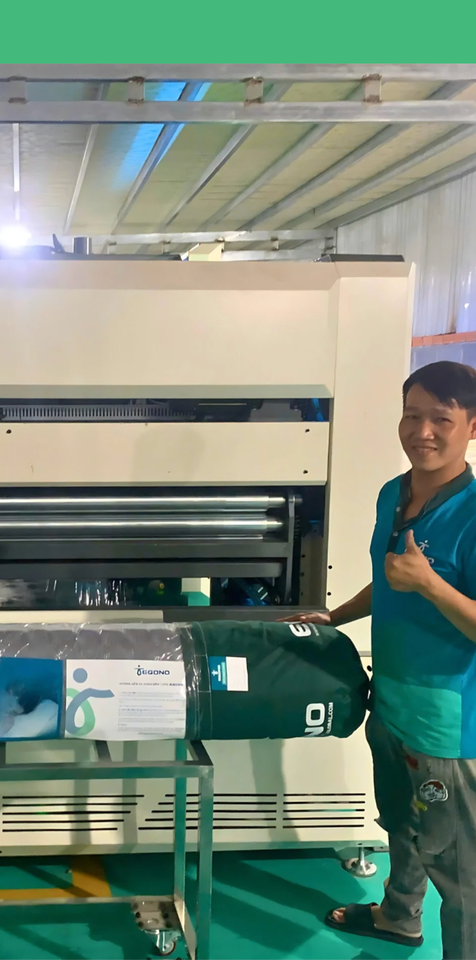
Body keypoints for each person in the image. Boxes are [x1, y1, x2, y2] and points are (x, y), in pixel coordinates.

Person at [286, 360, 476, 960]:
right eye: (412, 415)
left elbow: (419, 583)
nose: (423, 431)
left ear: (472, 427)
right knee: (401, 821)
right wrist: (336, 616)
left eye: (441, 419)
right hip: (390, 701)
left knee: (460, 869)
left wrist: (431, 585)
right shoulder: (393, 494)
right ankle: (398, 917)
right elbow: (391, 578)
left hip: (446, 726)